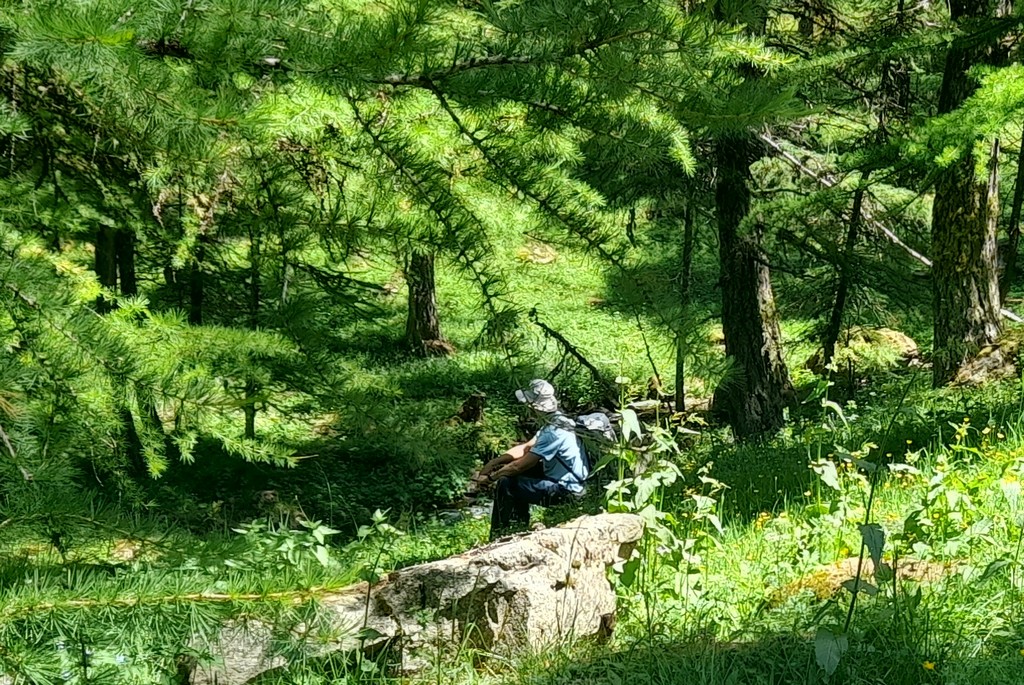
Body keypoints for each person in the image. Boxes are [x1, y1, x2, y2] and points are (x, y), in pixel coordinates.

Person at [473, 379, 589, 540]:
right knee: (511, 478)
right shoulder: (557, 421)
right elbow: (526, 448)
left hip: (567, 491)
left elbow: (519, 466)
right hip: (567, 483)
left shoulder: (553, 432)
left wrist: (491, 478)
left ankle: (501, 534)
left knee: (507, 483)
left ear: (534, 407)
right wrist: (494, 463)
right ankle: (516, 526)